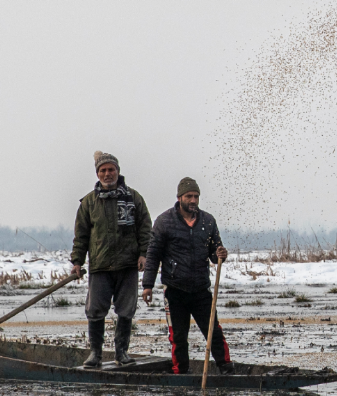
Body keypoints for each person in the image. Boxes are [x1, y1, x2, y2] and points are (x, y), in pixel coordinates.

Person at [141, 177, 232, 375]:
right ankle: (181, 372)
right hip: (175, 289)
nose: (193, 200)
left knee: (213, 331)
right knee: (178, 336)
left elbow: (215, 253)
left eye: (196, 196)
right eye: (189, 196)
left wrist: (220, 255)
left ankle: (225, 367)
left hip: (201, 288)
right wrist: (147, 285)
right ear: (179, 197)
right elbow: (153, 253)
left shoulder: (208, 221)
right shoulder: (164, 221)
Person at [70, 151, 152, 367]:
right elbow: (81, 236)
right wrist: (77, 262)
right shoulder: (88, 203)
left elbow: (145, 228)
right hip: (100, 266)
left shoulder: (134, 198)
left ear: (118, 171)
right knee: (95, 310)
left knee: (126, 310)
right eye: (103, 170)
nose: (107, 174)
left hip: (128, 265)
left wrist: (144, 253)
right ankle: (95, 354)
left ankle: (121, 353)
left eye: (111, 169)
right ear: (97, 174)